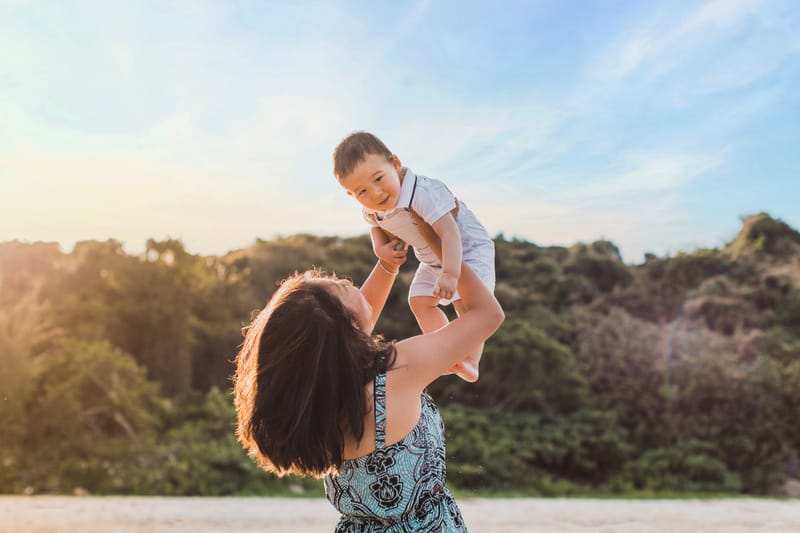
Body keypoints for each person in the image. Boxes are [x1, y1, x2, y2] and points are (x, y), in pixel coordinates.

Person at [232, 235, 504, 531]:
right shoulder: (398, 370)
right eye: (339, 286)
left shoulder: (331, 397)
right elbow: (488, 314)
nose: (348, 282)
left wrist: (387, 265)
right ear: (346, 326)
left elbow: (347, 331)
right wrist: (442, 245)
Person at [333, 131, 495, 382]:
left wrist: (451, 274)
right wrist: (380, 250)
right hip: (431, 258)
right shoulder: (372, 209)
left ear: (395, 164)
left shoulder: (423, 192)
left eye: (378, 178)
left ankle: (472, 360)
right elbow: (375, 226)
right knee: (419, 301)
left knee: (466, 305)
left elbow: (450, 232)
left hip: (467, 249)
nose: (375, 194)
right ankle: (450, 351)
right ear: (351, 195)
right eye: (362, 191)